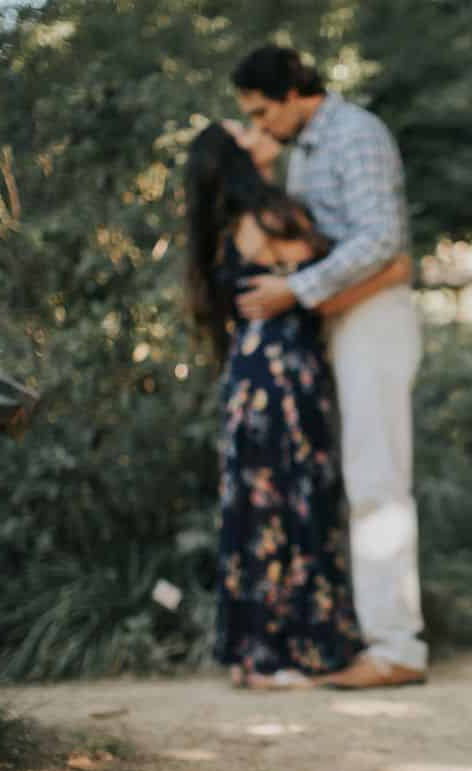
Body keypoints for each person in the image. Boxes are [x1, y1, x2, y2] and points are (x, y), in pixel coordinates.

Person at [184, 121, 411, 690]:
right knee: (295, 499)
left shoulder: (220, 226)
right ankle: (291, 650)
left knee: (259, 505)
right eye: (244, 127)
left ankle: (257, 650)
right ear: (238, 156)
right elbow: (331, 277)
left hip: (250, 375)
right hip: (284, 374)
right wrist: (389, 270)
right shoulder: (272, 217)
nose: (258, 128)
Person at [229, 45, 428, 690]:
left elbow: (380, 239)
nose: (262, 127)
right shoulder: (309, 148)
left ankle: (397, 648)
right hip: (339, 317)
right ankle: (371, 637)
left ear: (293, 91)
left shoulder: (356, 134)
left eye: (264, 112)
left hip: (372, 318)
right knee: (356, 476)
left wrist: (295, 290)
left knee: (377, 477)